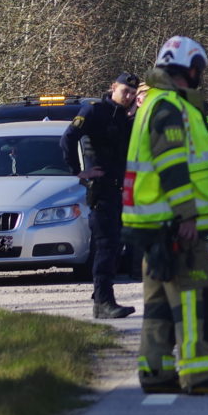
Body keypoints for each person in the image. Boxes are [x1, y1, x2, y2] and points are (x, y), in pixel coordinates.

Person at [122, 36, 208, 396]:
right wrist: (187, 217)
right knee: (198, 296)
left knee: (158, 302)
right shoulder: (169, 107)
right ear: (189, 69)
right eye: (199, 70)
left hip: (152, 224)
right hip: (174, 226)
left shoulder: (153, 103)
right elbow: (172, 165)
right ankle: (200, 375)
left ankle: (156, 372)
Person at [63, 73, 140, 319]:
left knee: (116, 246)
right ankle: (104, 303)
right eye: (125, 91)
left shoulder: (127, 117)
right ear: (113, 87)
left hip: (122, 189)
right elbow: (67, 139)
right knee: (106, 246)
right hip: (103, 189)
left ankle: (101, 295)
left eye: (132, 93)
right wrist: (78, 171)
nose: (127, 96)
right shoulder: (93, 111)